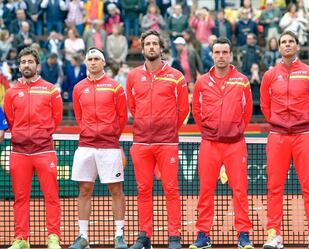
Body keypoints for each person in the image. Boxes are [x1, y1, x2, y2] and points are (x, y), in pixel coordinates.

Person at [260, 30, 309, 249]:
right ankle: (273, 234)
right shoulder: (270, 75)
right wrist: (278, 123)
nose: (287, 45)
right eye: (283, 42)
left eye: (291, 42)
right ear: (279, 47)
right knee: (274, 187)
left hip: (303, 136)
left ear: (297, 46)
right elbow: (265, 106)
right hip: (278, 136)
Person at [126, 30, 189, 249]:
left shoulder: (176, 76)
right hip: (141, 142)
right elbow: (132, 106)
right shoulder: (133, 76)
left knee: (171, 189)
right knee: (143, 190)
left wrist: (169, 128)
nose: (151, 47)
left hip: (167, 143)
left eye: (155, 44)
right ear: (142, 49)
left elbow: (183, 108)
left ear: (161, 48)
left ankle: (174, 236)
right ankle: (144, 236)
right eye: (148, 44)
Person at [190, 37, 254, 249]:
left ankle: (243, 234)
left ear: (231, 55)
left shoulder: (242, 80)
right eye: (217, 52)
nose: (221, 56)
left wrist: (235, 130)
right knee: (206, 190)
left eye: (225, 52)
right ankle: (203, 234)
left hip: (236, 144)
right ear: (212, 54)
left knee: (240, 190)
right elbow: (197, 113)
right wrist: (209, 131)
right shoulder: (201, 83)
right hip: (209, 144)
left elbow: (247, 112)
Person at [68, 47, 128, 249]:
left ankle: (119, 235)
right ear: (86, 63)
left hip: (109, 146)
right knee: (84, 189)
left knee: (116, 189)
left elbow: (121, 117)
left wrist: (110, 135)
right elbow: (78, 115)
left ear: (104, 63)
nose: (93, 62)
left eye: (96, 59)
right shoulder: (78, 88)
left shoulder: (115, 87)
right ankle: (83, 236)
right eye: (90, 59)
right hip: (85, 145)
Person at [3, 47, 63, 249]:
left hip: (44, 150)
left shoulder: (51, 89)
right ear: (19, 66)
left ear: (38, 65)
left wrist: (42, 134)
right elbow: (11, 120)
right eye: (23, 62)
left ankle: (53, 237)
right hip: (19, 152)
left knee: (51, 196)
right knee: (20, 198)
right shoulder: (11, 93)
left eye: (30, 62)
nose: (26, 65)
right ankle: (21, 239)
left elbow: (57, 118)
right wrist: (22, 135)